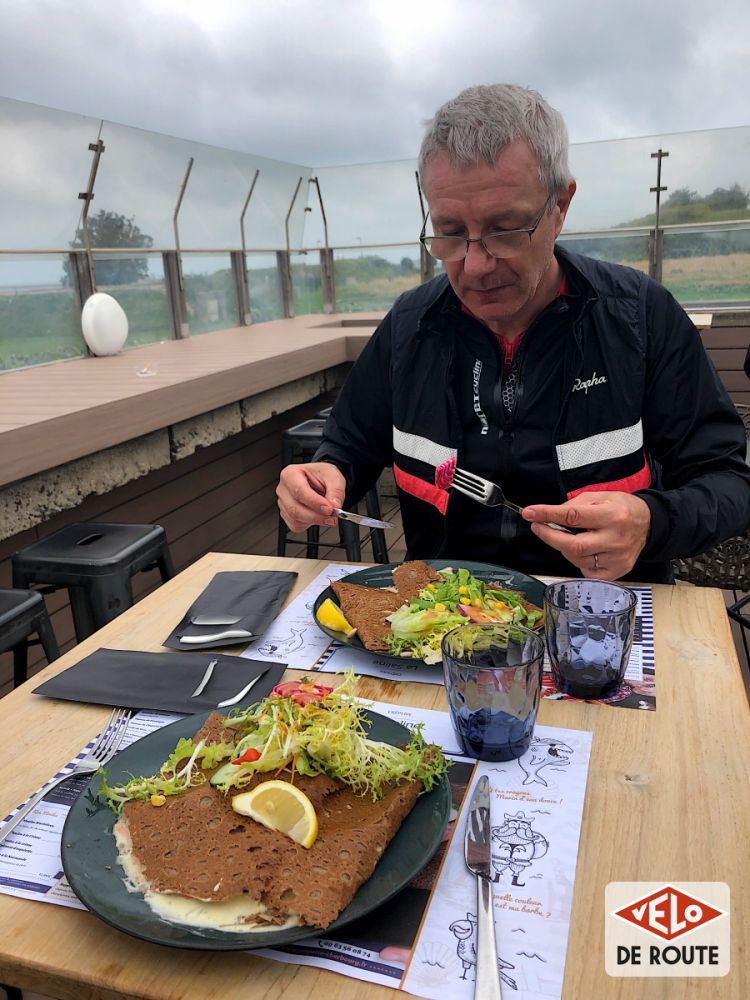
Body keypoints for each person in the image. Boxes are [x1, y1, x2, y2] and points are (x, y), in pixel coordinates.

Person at [277, 84, 750, 583]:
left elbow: (727, 481)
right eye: (450, 232)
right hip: (440, 620)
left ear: (560, 207)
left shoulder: (640, 316)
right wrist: (322, 476)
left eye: (506, 229)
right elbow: (350, 445)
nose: (476, 265)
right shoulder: (409, 326)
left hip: (599, 620)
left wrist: (651, 522)